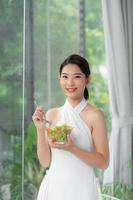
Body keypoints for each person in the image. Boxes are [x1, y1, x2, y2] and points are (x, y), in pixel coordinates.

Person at [32, 54, 109, 200]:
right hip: (54, 188)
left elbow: (104, 162)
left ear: (87, 79)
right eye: (65, 77)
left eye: (77, 77)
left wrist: (72, 148)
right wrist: (40, 129)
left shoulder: (95, 116)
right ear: (59, 79)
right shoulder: (52, 115)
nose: (70, 83)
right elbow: (45, 162)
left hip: (83, 190)